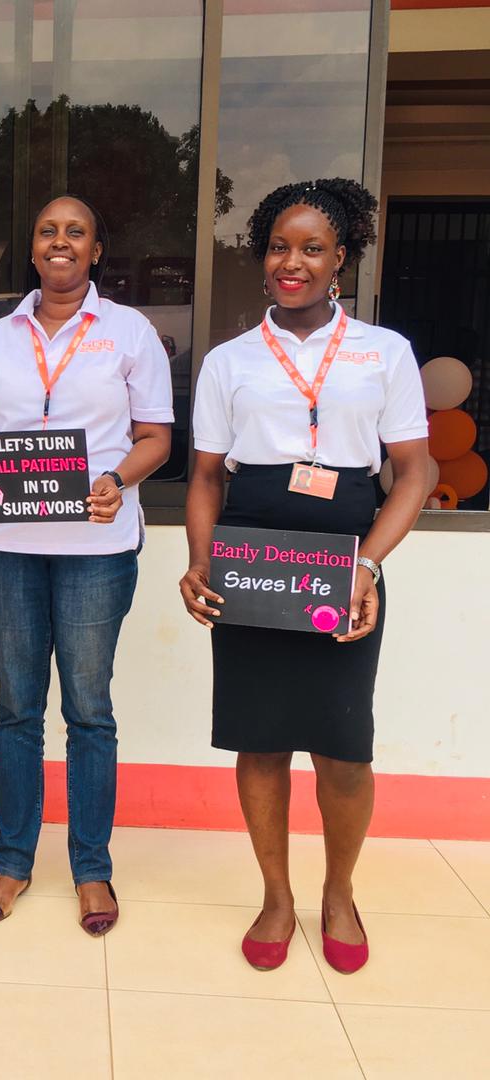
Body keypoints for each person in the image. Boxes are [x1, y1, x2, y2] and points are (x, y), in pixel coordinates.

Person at [179, 178, 429, 974]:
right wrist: (198, 560)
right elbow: (208, 478)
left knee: (343, 746)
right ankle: (278, 895)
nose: (293, 262)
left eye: (312, 248)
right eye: (280, 247)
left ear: (340, 259)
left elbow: (415, 473)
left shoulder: (383, 353)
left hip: (346, 559)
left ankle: (340, 892)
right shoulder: (230, 361)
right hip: (253, 556)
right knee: (260, 740)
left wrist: (366, 566)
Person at [0, 196, 173, 935]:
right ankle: (13, 860)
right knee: (17, 706)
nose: (61, 241)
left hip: (96, 549)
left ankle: (91, 868)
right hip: (7, 546)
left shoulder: (131, 333)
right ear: (33, 248)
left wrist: (117, 482)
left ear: (96, 251)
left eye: (76, 231)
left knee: (89, 711)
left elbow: (156, 438)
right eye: (47, 230)